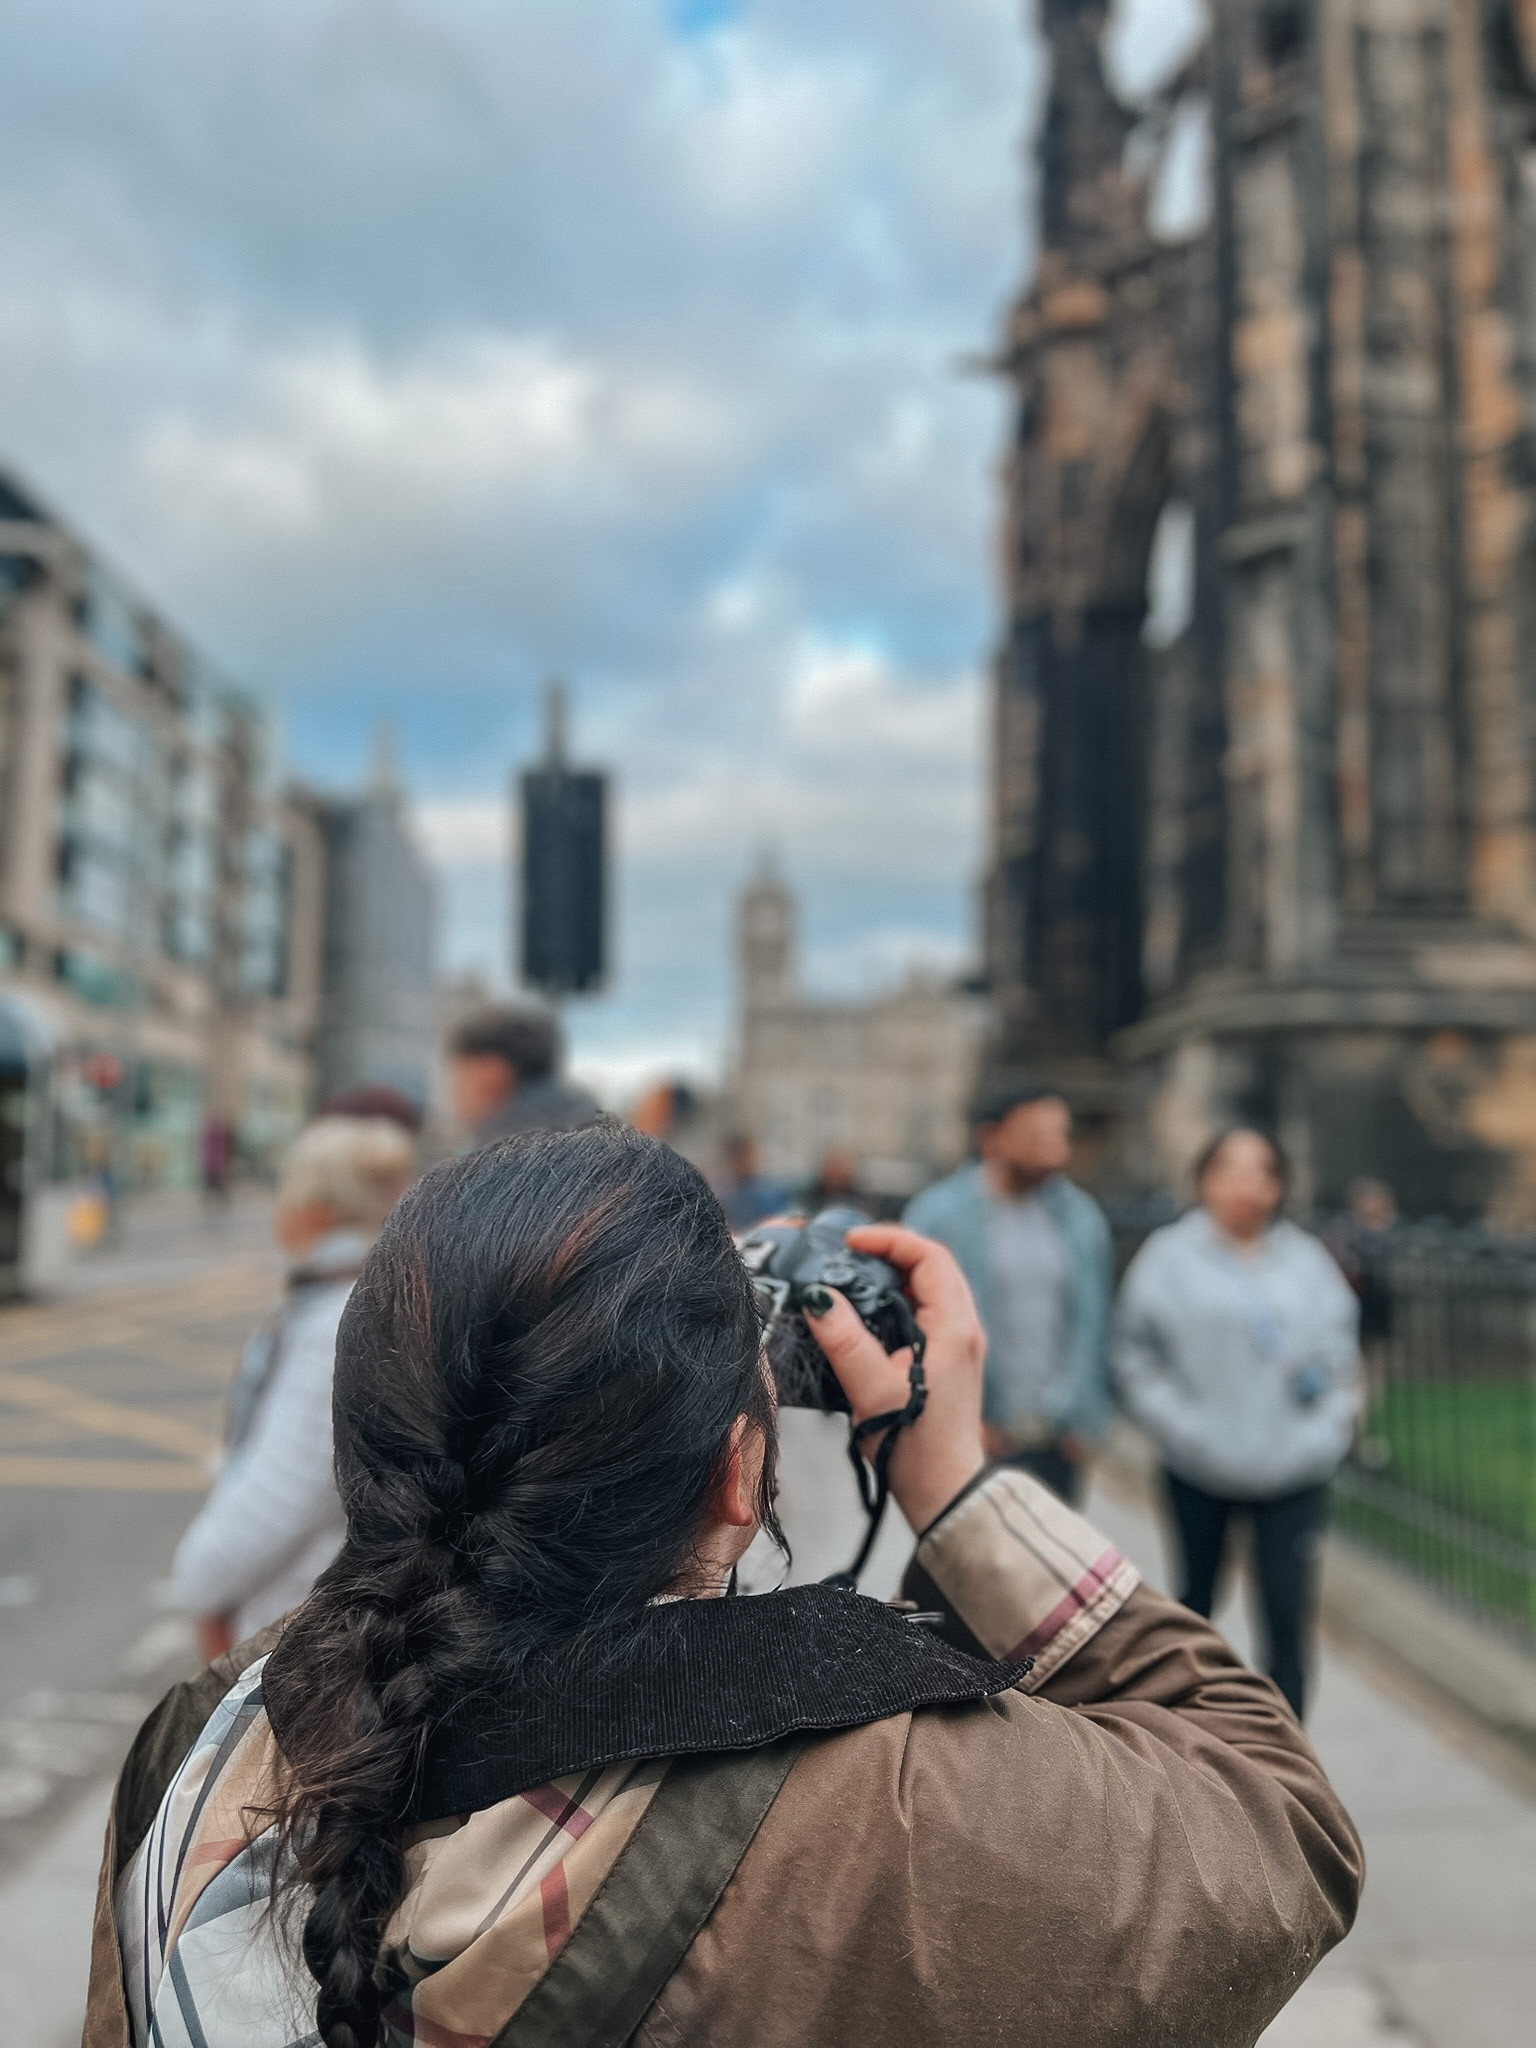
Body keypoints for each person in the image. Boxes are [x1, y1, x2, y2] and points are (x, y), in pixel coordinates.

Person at [91, 1123, 1361, 2048]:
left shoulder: (202, 1745)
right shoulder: (896, 1822)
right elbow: (1281, 1827)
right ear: (743, 1470)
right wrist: (961, 1492)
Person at [1114, 1128, 1363, 1719]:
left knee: (1286, 1615)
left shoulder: (1307, 1261)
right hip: (1199, 1463)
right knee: (1193, 1609)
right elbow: (1134, 1354)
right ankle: (1190, 1743)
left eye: (1262, 1172)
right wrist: (1179, 1427)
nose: (1246, 1186)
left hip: (1293, 1467)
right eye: (1230, 1170)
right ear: (1203, 1179)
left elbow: (1340, 1360)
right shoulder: (1167, 1258)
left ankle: (1289, 1761)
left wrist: (1326, 1434)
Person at [168, 1113, 416, 1658]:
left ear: (319, 1209)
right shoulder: (370, 1293)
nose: (278, 1211)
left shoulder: (340, 1315)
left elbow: (281, 1496)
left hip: (296, 1630)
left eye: (286, 1193)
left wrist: (198, 1584)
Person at [903, 1080, 1112, 1503]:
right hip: (972, 1436)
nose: (1057, 1152)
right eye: (1038, 1136)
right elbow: (910, 1325)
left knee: (1052, 1566)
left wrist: (1085, 1418)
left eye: (1061, 1136)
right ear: (991, 1138)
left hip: (1058, 1438)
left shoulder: (1081, 1217)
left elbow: (1094, 1323)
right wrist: (955, 1417)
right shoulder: (937, 1216)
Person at [446, 1004, 598, 1145]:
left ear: (491, 1074)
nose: (455, 1099)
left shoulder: (503, 1155)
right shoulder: (592, 1132)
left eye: (461, 1082)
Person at [717, 1131, 789, 1230]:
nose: (745, 1161)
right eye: (740, 1157)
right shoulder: (726, 1195)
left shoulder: (770, 1191)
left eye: (748, 1155)